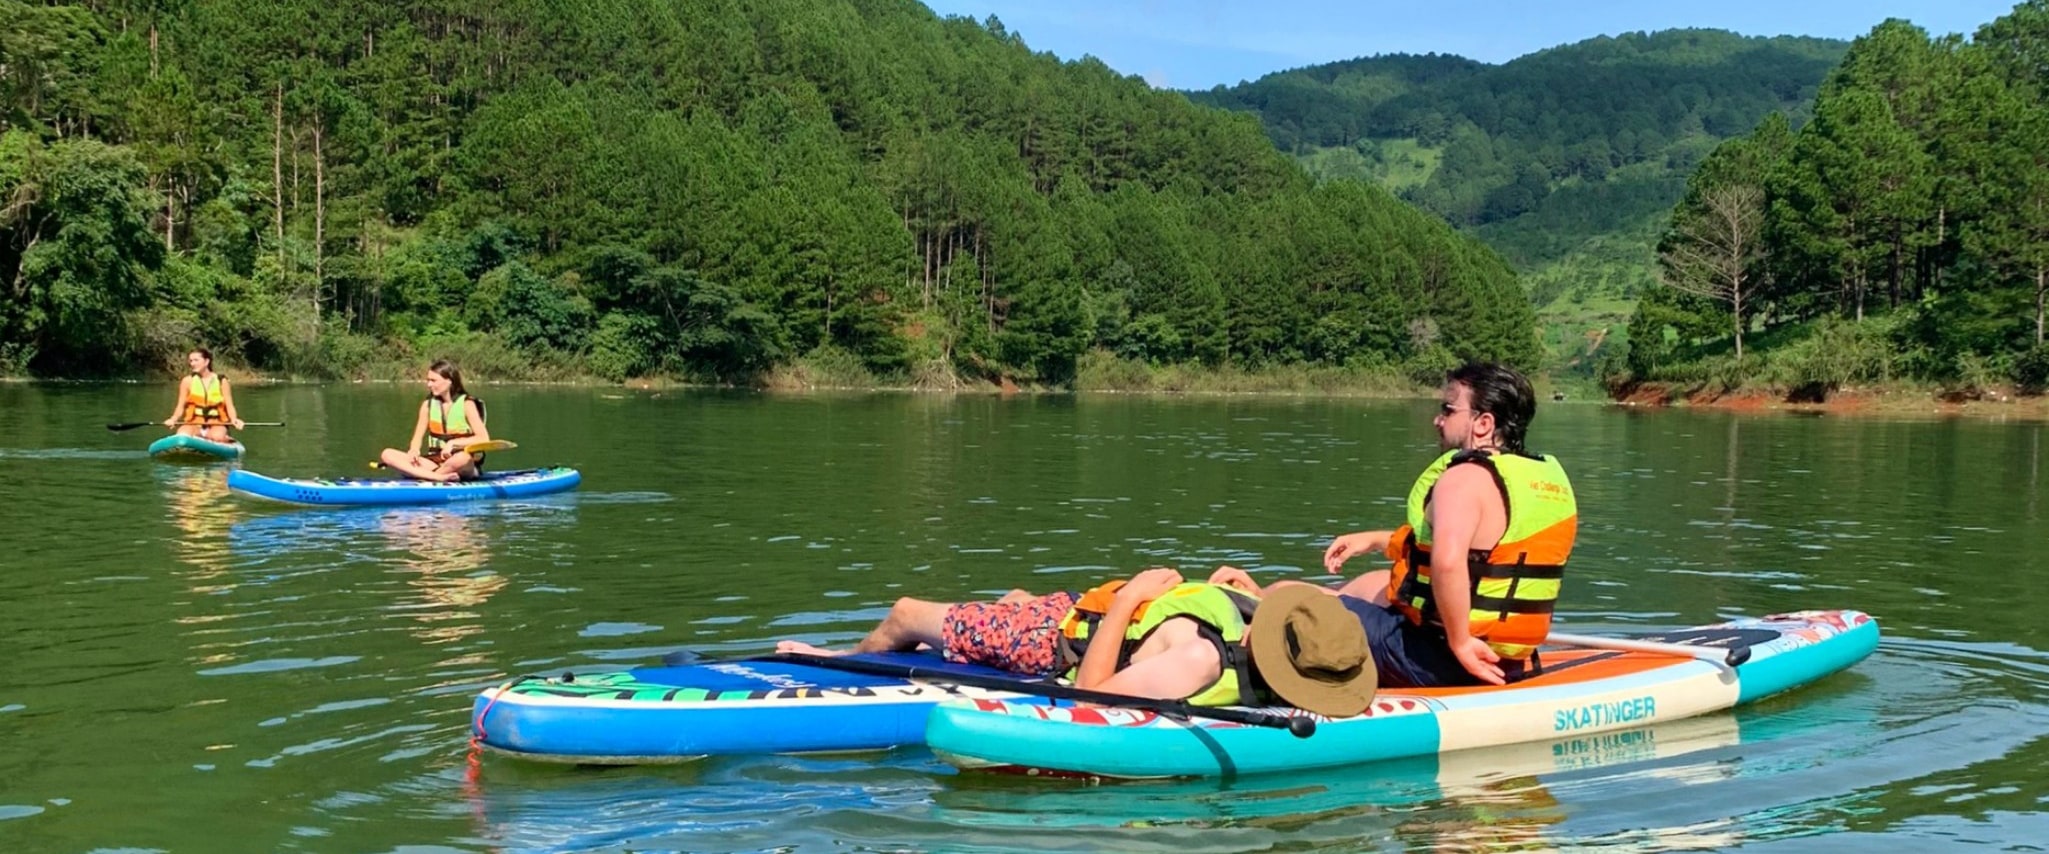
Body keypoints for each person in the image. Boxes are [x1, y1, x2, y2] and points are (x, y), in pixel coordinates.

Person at [776, 566, 1377, 717]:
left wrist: (1126, 597)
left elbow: (1089, 694)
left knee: (909, 613)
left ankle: (835, 661)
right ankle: (842, 663)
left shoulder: (1195, 660)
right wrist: (1240, 584)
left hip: (1056, 639)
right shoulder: (1252, 618)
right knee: (992, 606)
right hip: (1064, 622)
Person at [1319, 362, 1578, 688]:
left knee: (1290, 598)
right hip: (1503, 660)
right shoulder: (1534, 477)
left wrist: (1461, 643)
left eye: (1448, 409)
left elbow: (1447, 561)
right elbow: (1479, 555)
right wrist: (1374, 540)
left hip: (1437, 660)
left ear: (1483, 423)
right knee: (1373, 583)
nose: (1437, 420)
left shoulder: (1462, 477)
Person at [378, 360, 489, 482]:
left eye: (433, 380)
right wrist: (414, 450)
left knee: (462, 458)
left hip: (462, 465)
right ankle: (437, 477)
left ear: (449, 381)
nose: (429, 385)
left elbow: (483, 438)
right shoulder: (428, 405)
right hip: (434, 463)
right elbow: (417, 438)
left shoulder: (467, 404)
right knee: (387, 454)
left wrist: (453, 443)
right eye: (428, 380)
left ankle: (421, 475)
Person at [162, 348, 244, 442]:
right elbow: (180, 406)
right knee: (182, 434)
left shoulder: (222, 381)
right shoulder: (187, 381)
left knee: (217, 437)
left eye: (196, 360)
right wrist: (173, 419)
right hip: (194, 423)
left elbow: (229, 405)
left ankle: (224, 439)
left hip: (217, 424)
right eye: (191, 361)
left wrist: (234, 419)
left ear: (206, 361)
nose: (192, 364)